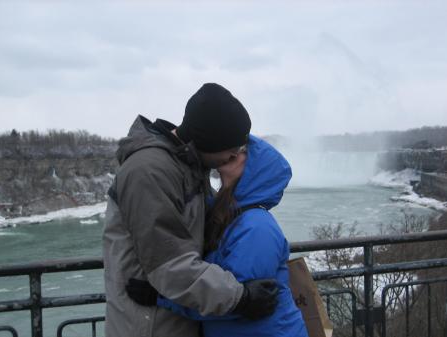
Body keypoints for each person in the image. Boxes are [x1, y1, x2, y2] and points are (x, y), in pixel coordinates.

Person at [103, 83, 279, 337]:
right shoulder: (150, 171)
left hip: (172, 318)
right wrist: (241, 297)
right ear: (209, 141)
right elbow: (171, 265)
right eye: (231, 150)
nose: (232, 157)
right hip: (148, 325)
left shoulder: (189, 168)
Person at [156, 135, 309, 337]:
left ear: (257, 169)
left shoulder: (256, 227)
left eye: (243, 151)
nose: (234, 153)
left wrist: (161, 297)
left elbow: (236, 303)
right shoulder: (228, 216)